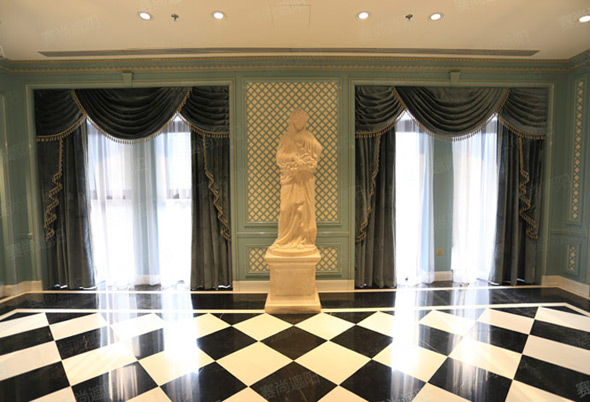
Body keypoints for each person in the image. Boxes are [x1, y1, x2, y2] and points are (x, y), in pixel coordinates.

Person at [268, 108, 322, 256]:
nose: (300, 123)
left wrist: (304, 140)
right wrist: (293, 157)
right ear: (292, 120)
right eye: (298, 120)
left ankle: (303, 240)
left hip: (304, 179)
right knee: (286, 209)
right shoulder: (286, 137)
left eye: (303, 120)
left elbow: (318, 149)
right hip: (290, 179)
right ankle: (284, 240)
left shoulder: (308, 136)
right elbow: (279, 157)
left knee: (303, 210)